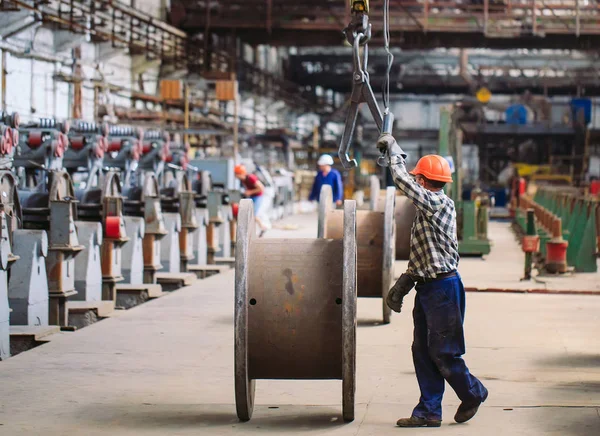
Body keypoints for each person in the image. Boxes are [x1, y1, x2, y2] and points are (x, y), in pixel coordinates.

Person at [377, 133, 488, 428]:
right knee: (422, 351)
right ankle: (428, 411)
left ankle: (473, 393)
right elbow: (424, 256)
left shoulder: (438, 204)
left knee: (443, 351)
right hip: (428, 288)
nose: (416, 183)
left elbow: (404, 184)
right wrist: (404, 284)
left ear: (424, 182)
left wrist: (394, 153)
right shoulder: (426, 212)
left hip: (444, 289)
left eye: (418, 180)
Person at [234, 164, 268, 237]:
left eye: (236, 174)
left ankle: (262, 227)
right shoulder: (243, 180)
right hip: (252, 196)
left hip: (258, 196)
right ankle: (260, 228)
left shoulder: (251, 178)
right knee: (249, 213)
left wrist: (249, 192)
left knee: (253, 214)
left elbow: (261, 188)